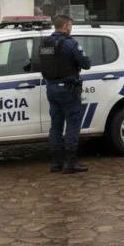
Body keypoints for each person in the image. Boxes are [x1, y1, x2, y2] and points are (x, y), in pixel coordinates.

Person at [39, 15, 92, 174]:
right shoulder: (70, 43)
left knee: (56, 126)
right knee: (73, 125)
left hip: (51, 88)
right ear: (66, 26)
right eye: (70, 26)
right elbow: (86, 64)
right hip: (68, 89)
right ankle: (70, 163)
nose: (71, 29)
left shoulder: (45, 43)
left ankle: (56, 163)